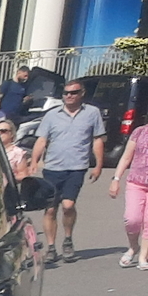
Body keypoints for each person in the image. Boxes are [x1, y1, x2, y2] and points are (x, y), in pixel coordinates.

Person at [20, 80, 104, 264]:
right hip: (52, 167)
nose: (68, 96)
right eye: (65, 93)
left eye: (73, 93)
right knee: (50, 209)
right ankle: (51, 246)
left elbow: (97, 140)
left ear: (82, 93)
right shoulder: (51, 115)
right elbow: (42, 139)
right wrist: (34, 161)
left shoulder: (92, 113)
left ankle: (67, 239)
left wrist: (98, 165)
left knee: (68, 206)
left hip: (76, 167)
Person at [109, 115, 148, 269]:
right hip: (136, 183)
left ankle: (143, 257)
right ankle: (133, 247)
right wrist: (116, 179)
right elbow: (126, 157)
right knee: (132, 219)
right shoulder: (139, 132)